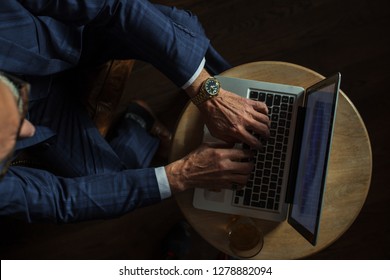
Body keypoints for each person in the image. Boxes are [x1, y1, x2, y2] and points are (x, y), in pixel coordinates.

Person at [0, 0, 269, 223]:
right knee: (111, 179)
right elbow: (59, 200)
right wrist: (182, 174)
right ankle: (138, 124)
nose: (30, 131)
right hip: (43, 108)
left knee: (186, 30)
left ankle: (239, 97)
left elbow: (114, 4)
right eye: (13, 143)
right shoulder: (29, 123)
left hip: (68, 34)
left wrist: (208, 92)